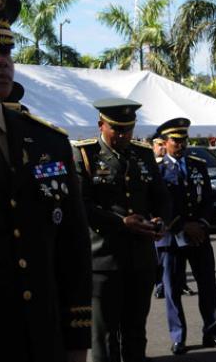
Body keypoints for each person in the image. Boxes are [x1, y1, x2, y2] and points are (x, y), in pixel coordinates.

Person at [0, 0, 92, 362]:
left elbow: (72, 252)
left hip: (41, 343)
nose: (0, 61)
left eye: (5, 50)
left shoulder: (48, 143)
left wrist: (76, 342)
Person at [72, 98, 171, 362]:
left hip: (140, 258)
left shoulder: (143, 153)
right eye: (116, 129)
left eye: (128, 129)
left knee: (136, 330)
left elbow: (160, 195)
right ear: (101, 125)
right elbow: (81, 205)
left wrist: (161, 220)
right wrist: (119, 223)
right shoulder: (85, 154)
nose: (123, 135)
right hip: (104, 259)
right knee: (104, 334)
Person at [155, 117, 216, 354]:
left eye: (183, 140)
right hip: (172, 238)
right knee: (172, 289)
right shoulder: (158, 169)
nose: (181, 144)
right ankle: (178, 337)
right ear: (165, 142)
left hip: (199, 236)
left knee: (208, 286)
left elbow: (208, 199)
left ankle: (212, 332)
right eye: (175, 140)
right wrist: (182, 226)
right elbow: (158, 204)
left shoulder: (197, 165)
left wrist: (202, 224)